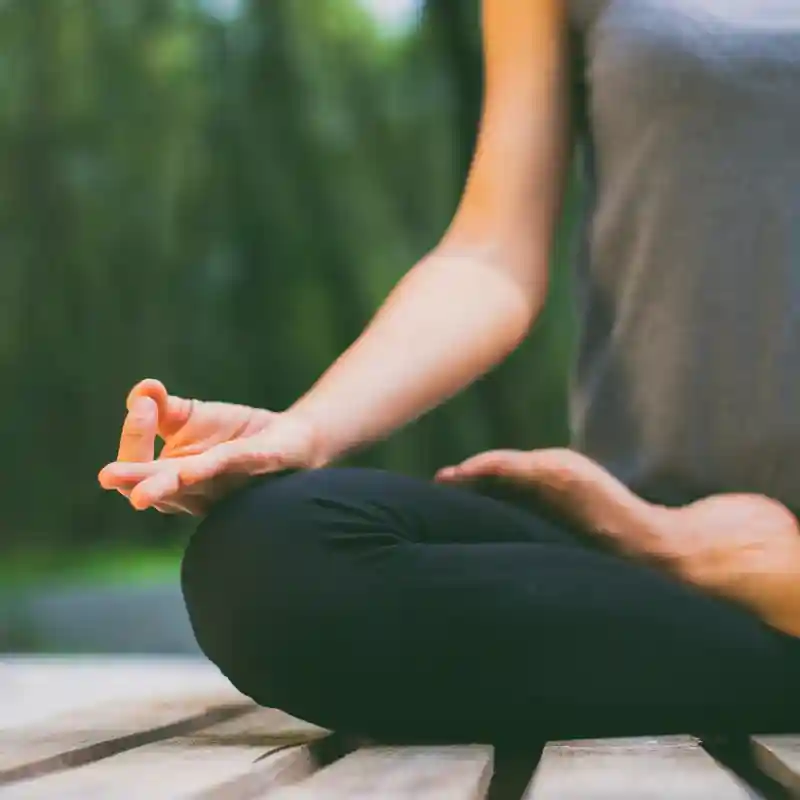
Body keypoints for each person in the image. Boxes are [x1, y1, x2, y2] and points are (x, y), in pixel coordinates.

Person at [98, 0, 800, 744]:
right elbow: (491, 256)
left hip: (729, 567)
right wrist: (307, 429)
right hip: (647, 545)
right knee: (271, 560)